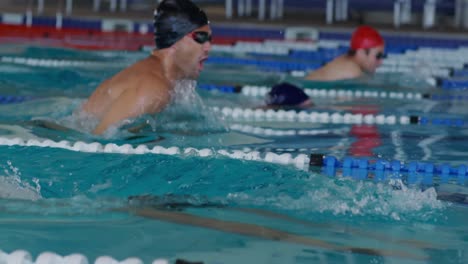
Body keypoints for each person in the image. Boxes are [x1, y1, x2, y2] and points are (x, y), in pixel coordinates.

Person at [81, 0, 212, 135]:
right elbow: (99, 140)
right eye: (200, 37)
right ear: (174, 40)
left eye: (209, 39)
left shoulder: (171, 83)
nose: (208, 47)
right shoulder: (153, 89)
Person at [306, 25, 385, 81]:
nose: (381, 62)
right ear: (361, 52)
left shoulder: (346, 61)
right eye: (378, 56)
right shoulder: (352, 71)